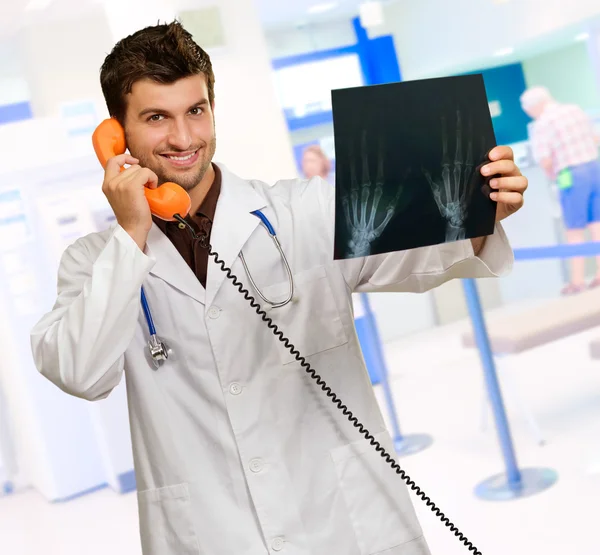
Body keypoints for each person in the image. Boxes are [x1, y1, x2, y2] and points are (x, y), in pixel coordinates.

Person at [30, 21, 527, 555]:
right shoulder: (93, 262)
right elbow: (80, 373)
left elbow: (425, 255)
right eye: (157, 118)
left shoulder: (304, 211)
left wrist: (482, 210)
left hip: (343, 523)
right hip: (214, 535)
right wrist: (131, 235)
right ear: (116, 137)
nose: (183, 138)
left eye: (196, 110)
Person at [520, 86, 600, 294]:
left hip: (570, 175)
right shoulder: (574, 110)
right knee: (596, 224)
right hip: (594, 168)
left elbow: (545, 159)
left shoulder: (542, 124)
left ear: (534, 106)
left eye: (528, 109)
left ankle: (577, 281)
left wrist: (552, 175)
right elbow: (595, 138)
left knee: (573, 229)